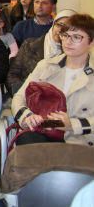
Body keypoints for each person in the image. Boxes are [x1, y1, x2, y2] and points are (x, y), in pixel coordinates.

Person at [12, 13, 94, 146]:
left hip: (81, 140)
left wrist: (72, 124)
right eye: (65, 35)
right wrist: (28, 116)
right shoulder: (46, 65)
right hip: (45, 131)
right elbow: (19, 97)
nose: (68, 41)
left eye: (77, 37)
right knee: (27, 140)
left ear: (91, 42)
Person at [7, 9, 77, 95]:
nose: (61, 30)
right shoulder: (29, 45)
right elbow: (13, 74)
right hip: (26, 96)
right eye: (59, 25)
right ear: (53, 25)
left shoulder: (74, 54)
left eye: (67, 28)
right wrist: (25, 94)